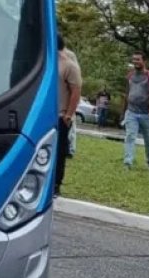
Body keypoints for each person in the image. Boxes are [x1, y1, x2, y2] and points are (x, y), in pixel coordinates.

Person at [54, 35, 81, 197]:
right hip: (45, 115)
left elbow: (76, 90)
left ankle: (56, 184)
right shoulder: (46, 62)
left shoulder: (69, 65)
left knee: (59, 152)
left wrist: (69, 115)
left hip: (61, 115)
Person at [123, 52, 149, 170]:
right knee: (130, 137)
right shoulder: (130, 76)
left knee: (148, 140)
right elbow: (126, 93)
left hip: (146, 114)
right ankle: (127, 162)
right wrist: (124, 111)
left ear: (144, 61)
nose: (135, 62)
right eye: (134, 60)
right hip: (131, 111)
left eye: (138, 59)